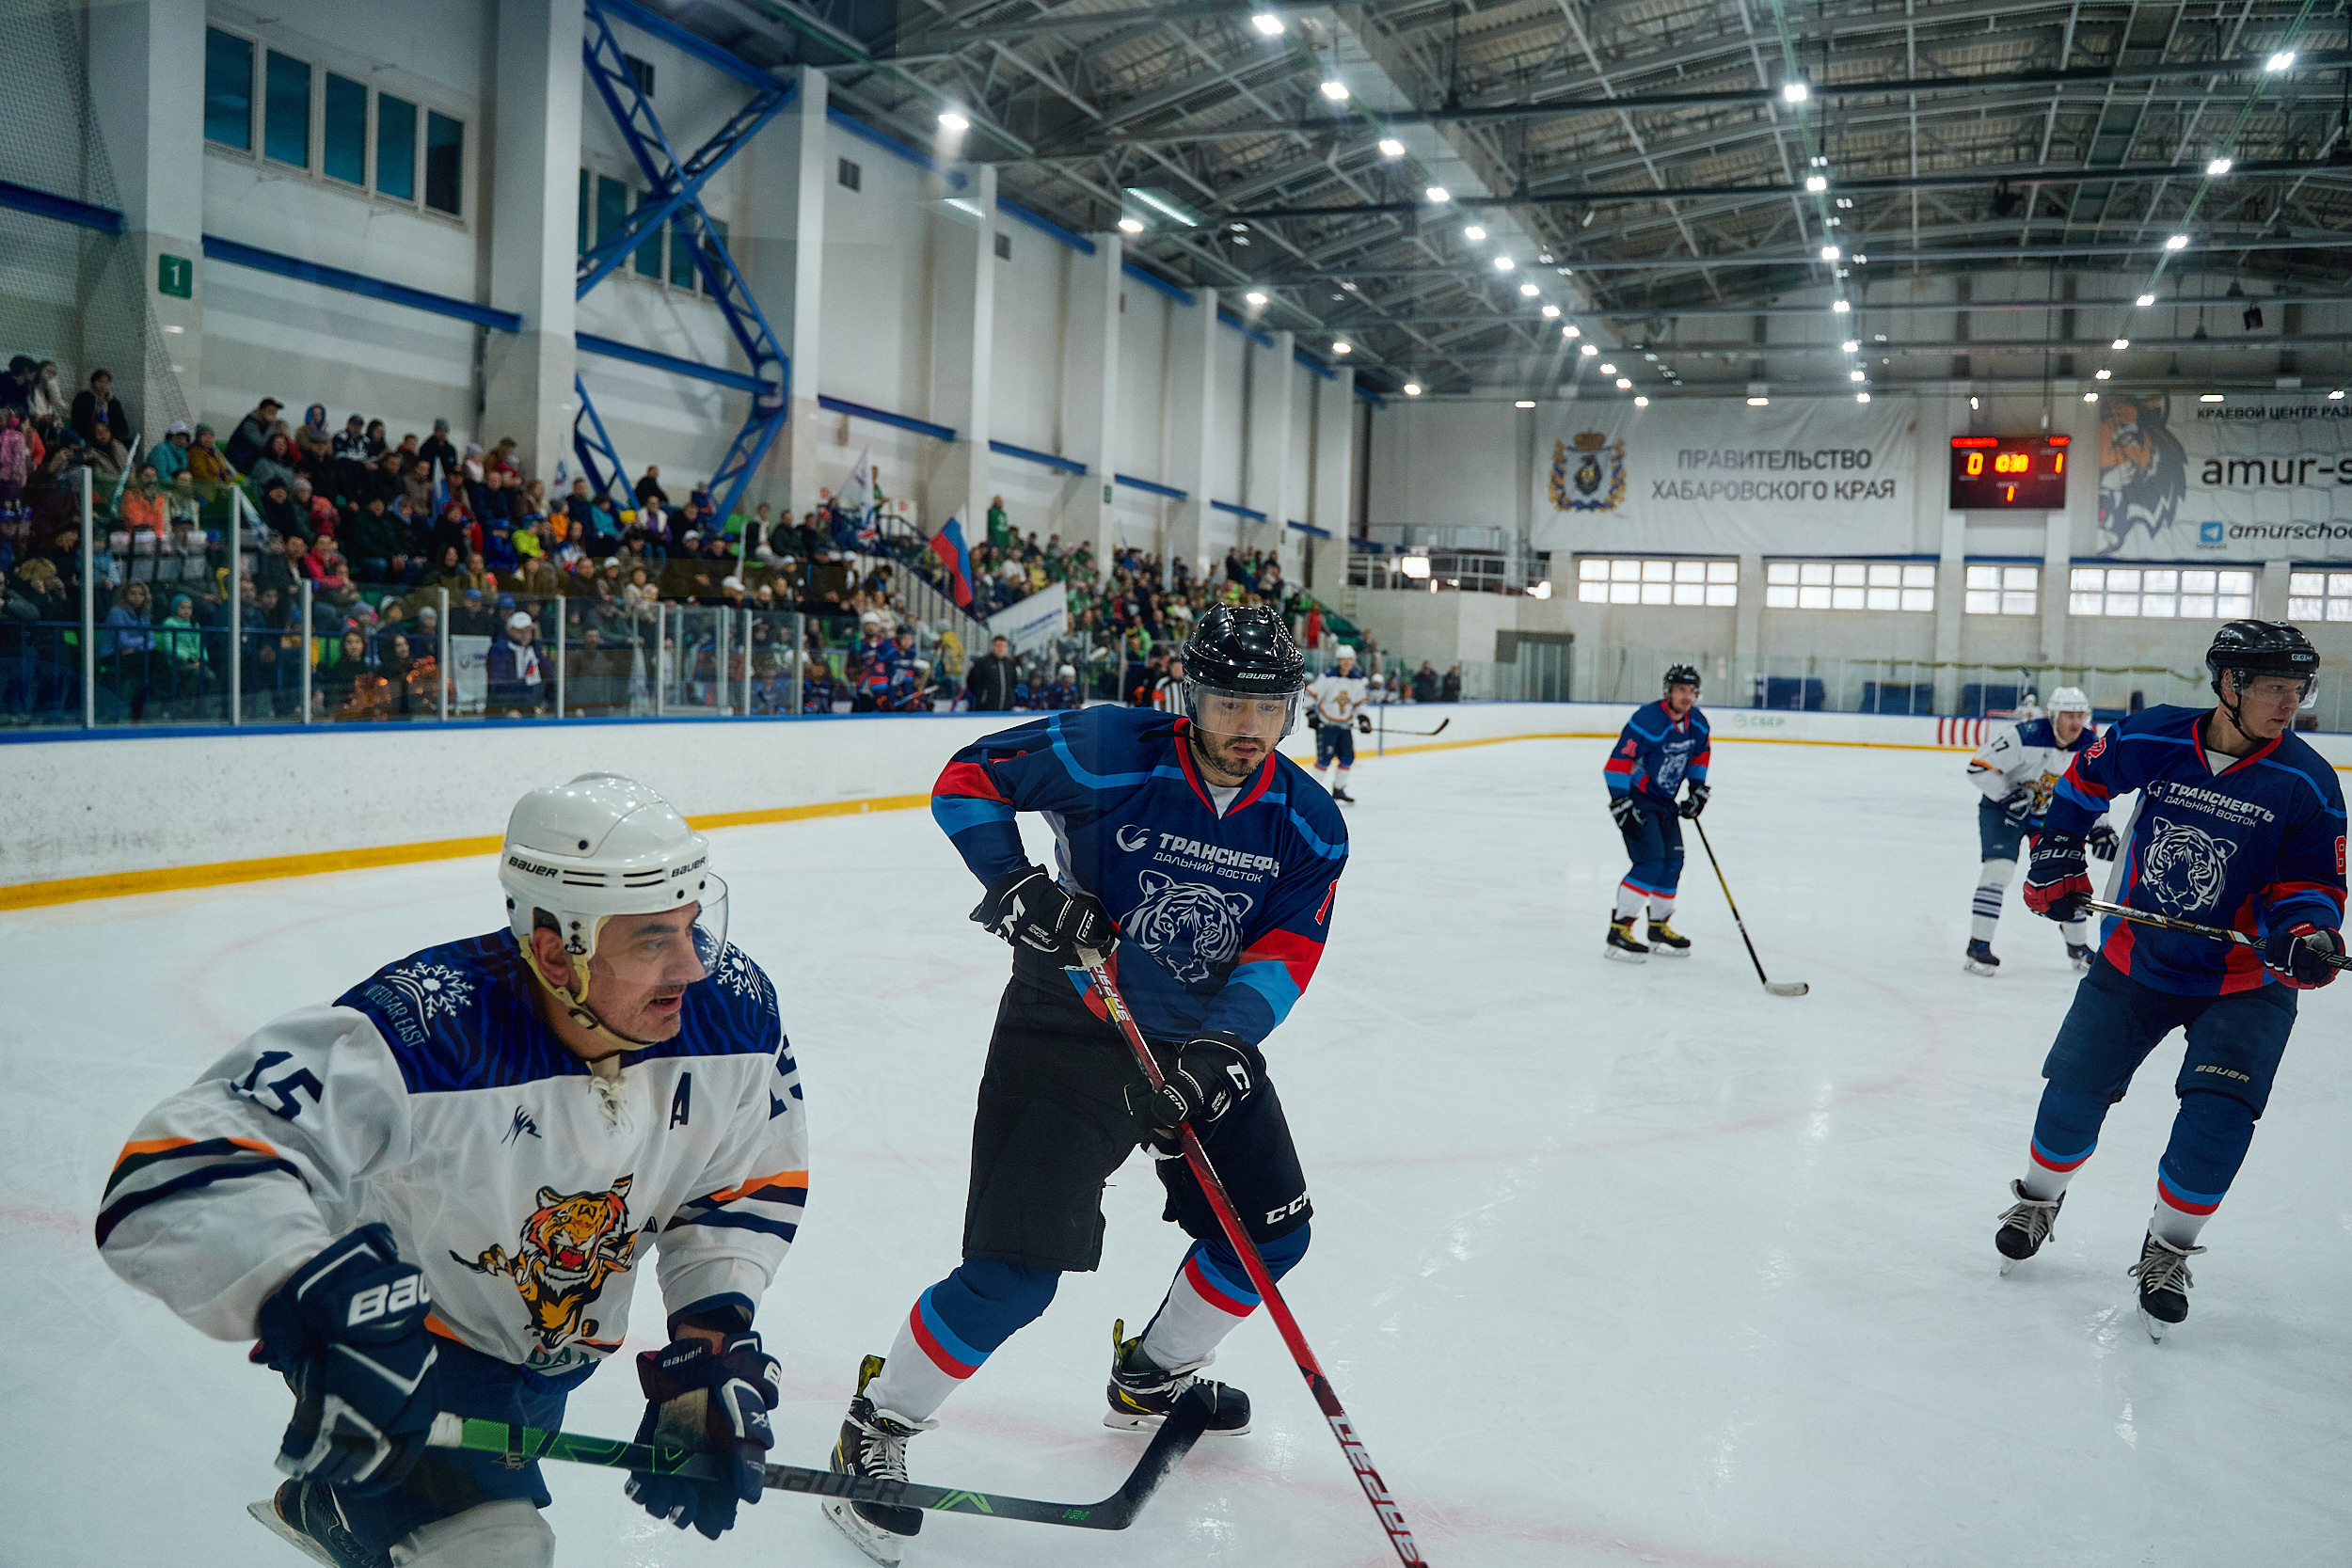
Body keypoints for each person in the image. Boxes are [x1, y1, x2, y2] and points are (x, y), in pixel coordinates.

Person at [97, 777, 805, 1564]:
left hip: (550, 1357)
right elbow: (171, 1172)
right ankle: (349, 1501)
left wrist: (709, 1339)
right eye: (650, 940)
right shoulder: (424, 1029)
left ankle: (337, 1508)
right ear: (553, 950)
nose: (693, 967)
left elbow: (735, 1182)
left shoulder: (734, 1013)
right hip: (411, 1351)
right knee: (493, 1547)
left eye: (691, 926)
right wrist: (319, 1300)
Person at [819, 604, 1346, 1565]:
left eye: (1269, 707)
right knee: (1014, 1276)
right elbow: (967, 778)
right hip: (1072, 1022)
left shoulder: (1306, 820)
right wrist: (1015, 883)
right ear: (1188, 694)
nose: (1249, 726)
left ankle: (1152, 1375)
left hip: (1194, 1039)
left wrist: (1226, 1045)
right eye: (1229, 700)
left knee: (1273, 1232)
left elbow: (1286, 945)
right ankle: (877, 1421)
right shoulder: (1109, 744)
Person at [1999, 622, 2345, 1340]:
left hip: (2246, 980)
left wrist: (2306, 934)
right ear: (2229, 686)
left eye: (2298, 687)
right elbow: (2084, 781)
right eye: (2275, 687)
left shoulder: (2308, 781)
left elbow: (2314, 883)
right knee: (2072, 1093)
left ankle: (2168, 1248)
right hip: (2136, 958)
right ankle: (2037, 1199)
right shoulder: (2155, 737)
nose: (2291, 703)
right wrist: (2058, 851)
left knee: (2219, 1119)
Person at [1963, 686, 2112, 976]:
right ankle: (1977, 946)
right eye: (2069, 715)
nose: (2075, 723)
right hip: (2002, 811)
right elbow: (1978, 768)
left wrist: (2101, 828)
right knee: (1999, 872)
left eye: (2080, 716)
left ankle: (2077, 947)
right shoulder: (2024, 735)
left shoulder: (2090, 745)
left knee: (2067, 873)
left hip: (2046, 817)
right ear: (2053, 715)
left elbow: (2094, 791)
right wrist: (2007, 796)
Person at [1604, 664, 1711, 960]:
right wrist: (1621, 804)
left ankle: (1658, 927)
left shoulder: (1698, 724)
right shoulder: (1647, 720)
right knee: (1649, 863)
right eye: (1680, 690)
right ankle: (1619, 931)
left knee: (1672, 863)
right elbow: (1616, 765)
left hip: (1665, 802)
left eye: (1691, 691)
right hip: (1638, 800)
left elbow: (1700, 754)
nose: (1686, 697)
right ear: (1668, 692)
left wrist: (1697, 789)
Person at [1303, 645, 1369, 802]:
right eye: (1344, 660)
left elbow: (1360, 703)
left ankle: (1338, 789)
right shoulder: (1328, 677)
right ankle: (1314, 792)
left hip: (1345, 727)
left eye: (1349, 660)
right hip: (1327, 726)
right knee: (1324, 760)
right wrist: (1312, 714)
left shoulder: (1357, 680)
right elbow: (1310, 696)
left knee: (1347, 758)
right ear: (1339, 661)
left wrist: (1363, 718)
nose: (1347, 663)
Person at [963, 633, 1018, 712]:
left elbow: (1014, 682)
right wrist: (982, 696)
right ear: (993, 646)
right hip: (986, 709)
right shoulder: (983, 663)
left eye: (1003, 646)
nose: (1001, 649)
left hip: (1006, 709)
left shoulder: (1010, 664)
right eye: (998, 646)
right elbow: (972, 681)